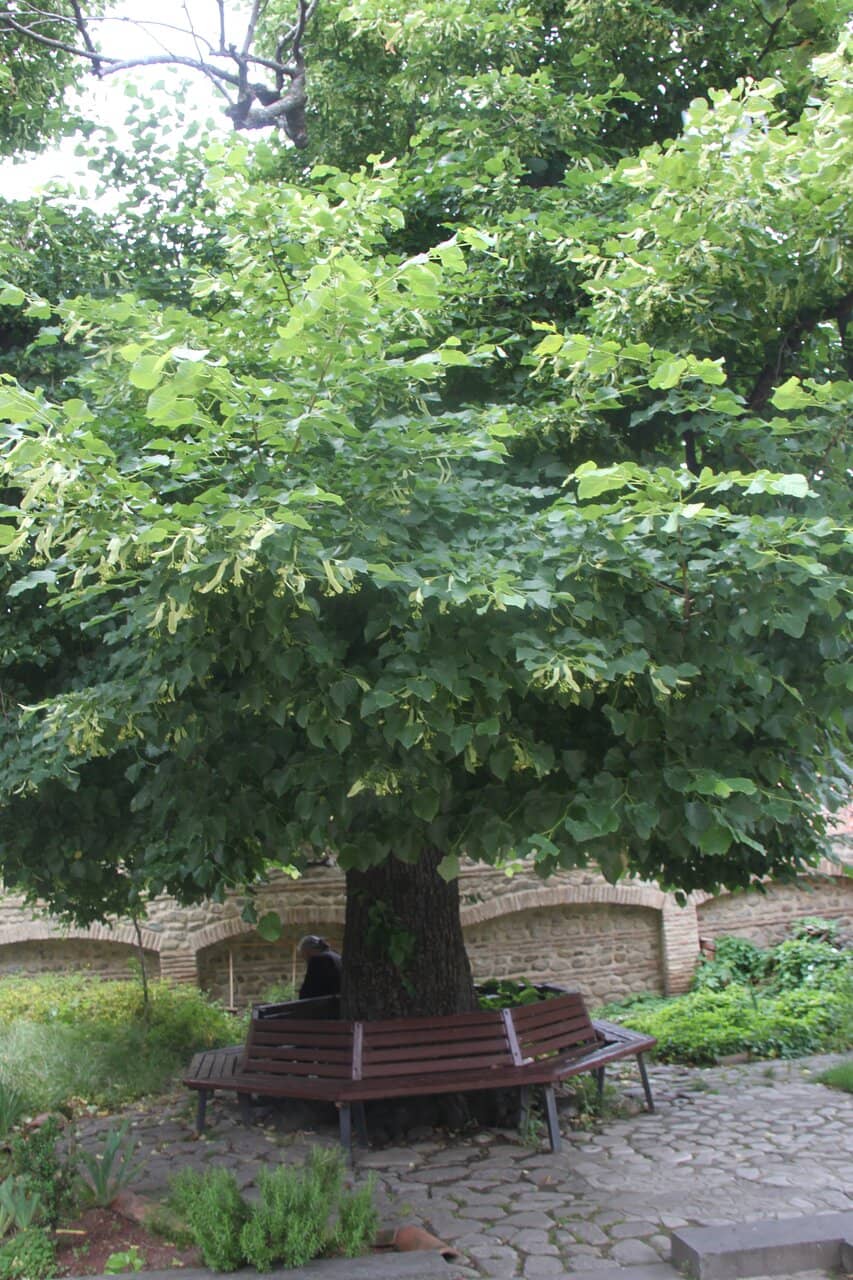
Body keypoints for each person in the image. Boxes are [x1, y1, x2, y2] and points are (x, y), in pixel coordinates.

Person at [297, 934, 342, 1000]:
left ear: (308, 951)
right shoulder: (337, 957)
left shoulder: (318, 960)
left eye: (304, 956)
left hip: (328, 1005)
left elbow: (306, 993)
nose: (306, 960)